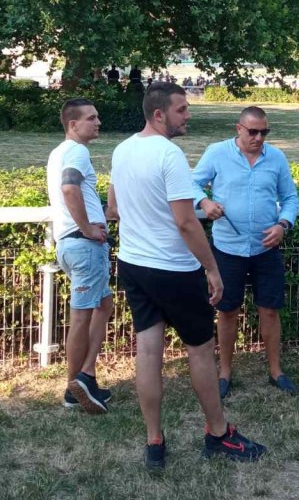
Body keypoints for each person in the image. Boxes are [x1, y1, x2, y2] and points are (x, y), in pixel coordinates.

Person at [108, 82, 266, 469]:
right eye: (181, 109)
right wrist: (212, 268)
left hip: (133, 264)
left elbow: (113, 207)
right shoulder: (169, 154)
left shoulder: (122, 149)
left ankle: (154, 441)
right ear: (158, 114)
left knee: (148, 350)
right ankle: (218, 433)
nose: (188, 115)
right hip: (174, 269)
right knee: (200, 350)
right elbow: (185, 222)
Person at [191, 106, 299, 397]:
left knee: (270, 310)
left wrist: (283, 225)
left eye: (264, 132)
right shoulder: (217, 153)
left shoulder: (276, 157)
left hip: (267, 248)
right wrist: (204, 202)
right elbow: (191, 183)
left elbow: (290, 197)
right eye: (253, 131)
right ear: (238, 128)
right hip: (228, 248)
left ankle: (275, 371)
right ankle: (225, 373)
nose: (259, 138)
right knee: (227, 311)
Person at [46, 99, 113, 414]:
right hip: (83, 244)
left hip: (69, 244)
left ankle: (88, 378)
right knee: (82, 317)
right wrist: (87, 228)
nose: (98, 122)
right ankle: (75, 389)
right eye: (91, 118)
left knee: (103, 305)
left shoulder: (58, 152)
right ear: (73, 124)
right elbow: (70, 188)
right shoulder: (77, 151)